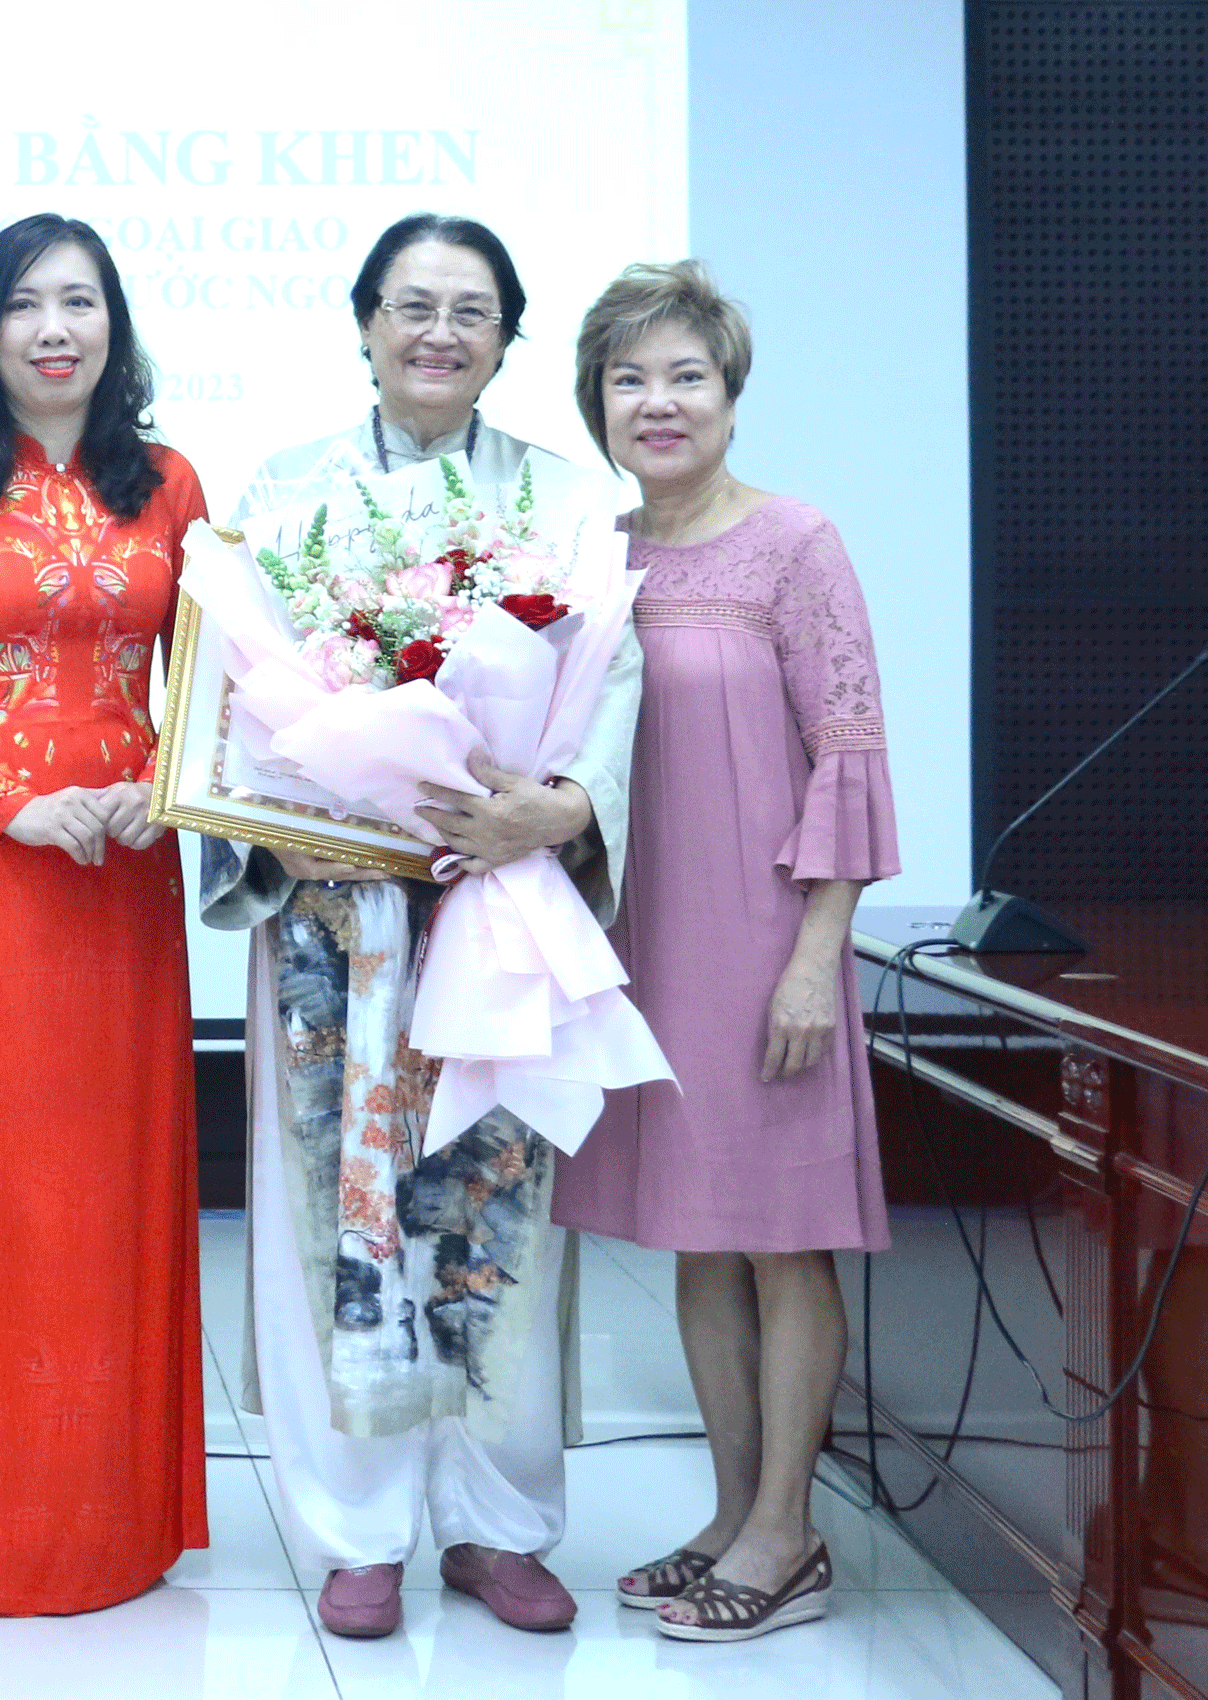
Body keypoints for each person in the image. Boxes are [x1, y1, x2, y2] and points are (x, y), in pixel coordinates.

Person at [199, 212, 644, 1640]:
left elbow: (610, 675)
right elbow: (237, 691)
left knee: (495, 1201)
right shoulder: (284, 491)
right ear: (365, 323)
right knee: (344, 1205)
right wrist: (325, 810)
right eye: (412, 305)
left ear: (509, 337)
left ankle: (500, 1521)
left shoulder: (564, 500)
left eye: (471, 310)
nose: (439, 332)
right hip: (337, 912)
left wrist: (559, 806)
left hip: (496, 897)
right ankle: (359, 1525)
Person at [0, 213, 211, 1615]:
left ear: (115, 328)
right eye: (27, 304)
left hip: (128, 876)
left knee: (115, 1188)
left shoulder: (175, 482)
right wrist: (11, 798)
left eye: (81, 302)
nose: (56, 327)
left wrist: (162, 784)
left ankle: (111, 1526)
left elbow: (215, 676)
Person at [553, 261, 899, 1642]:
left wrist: (820, 954)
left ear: (732, 397)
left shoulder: (796, 545)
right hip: (645, 943)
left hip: (767, 948)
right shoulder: (596, 558)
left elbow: (850, 756)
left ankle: (788, 1533)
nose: (659, 401)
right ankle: (732, 1511)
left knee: (783, 1240)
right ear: (597, 406)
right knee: (699, 1239)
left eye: (686, 375)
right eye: (630, 379)